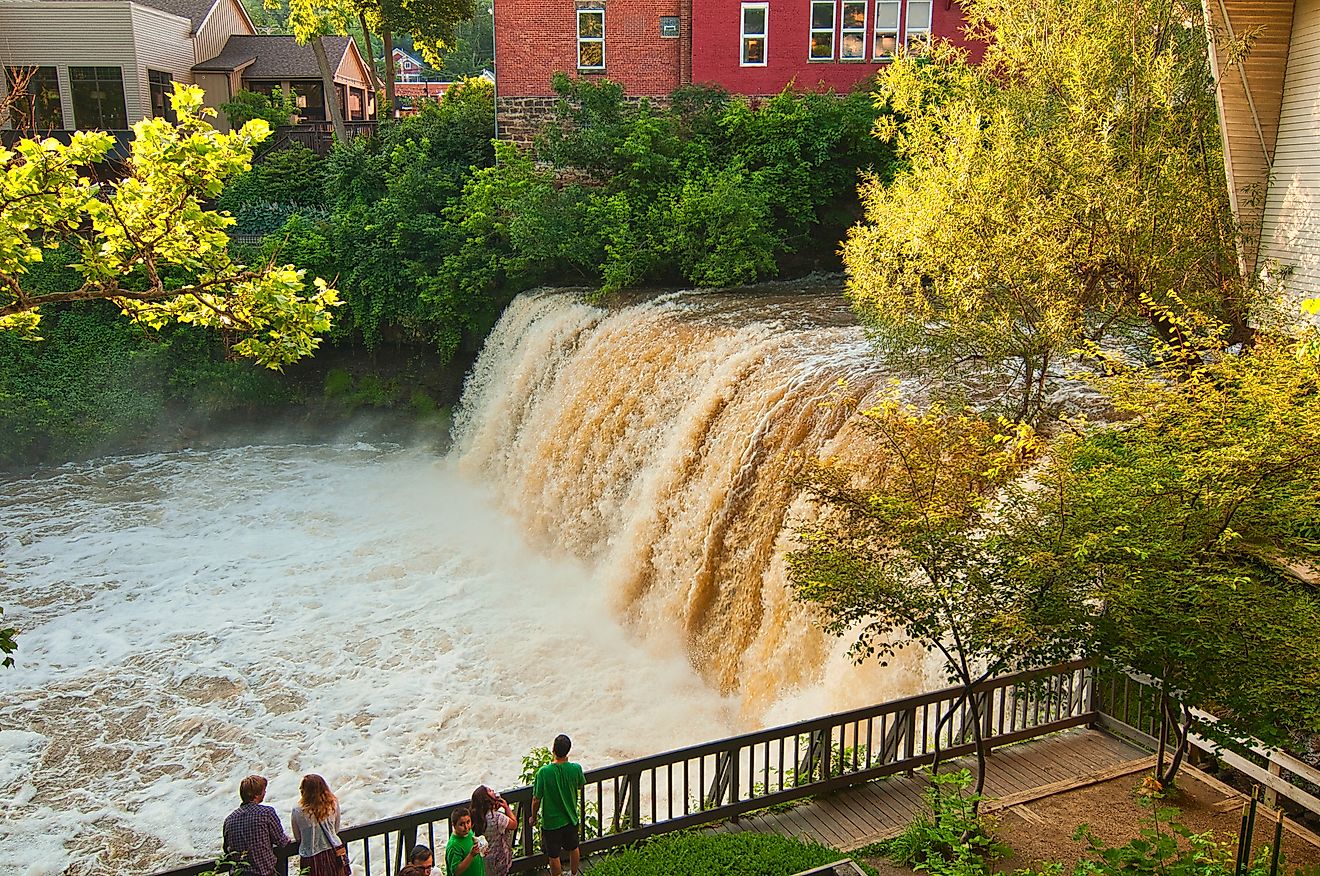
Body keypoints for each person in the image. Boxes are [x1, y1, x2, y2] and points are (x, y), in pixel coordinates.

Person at [528, 734, 586, 876]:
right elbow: (580, 785)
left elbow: (536, 798)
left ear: (553, 749)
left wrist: (533, 817)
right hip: (571, 816)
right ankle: (574, 874)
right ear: (568, 750)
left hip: (552, 821)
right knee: (574, 847)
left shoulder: (544, 772)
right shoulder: (576, 768)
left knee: (553, 855)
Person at [222, 774, 292, 876]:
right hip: (263, 872)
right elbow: (281, 841)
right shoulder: (266, 813)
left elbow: (227, 850)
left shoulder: (229, 819)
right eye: (263, 790)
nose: (265, 793)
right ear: (256, 795)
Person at [291, 774, 346, 876]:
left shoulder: (298, 810)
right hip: (334, 851)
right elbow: (336, 829)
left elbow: (298, 837)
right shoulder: (333, 803)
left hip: (311, 856)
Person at [469, 785, 514, 876]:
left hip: (481, 860)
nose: (493, 791)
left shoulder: (474, 817)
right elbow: (513, 824)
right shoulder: (497, 817)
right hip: (499, 859)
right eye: (490, 791)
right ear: (486, 798)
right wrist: (506, 808)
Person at [444, 806, 484, 876]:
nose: (466, 827)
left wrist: (482, 850)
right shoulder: (453, 846)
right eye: (461, 824)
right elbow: (456, 872)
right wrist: (471, 855)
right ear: (454, 825)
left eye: (468, 822)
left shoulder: (469, 832)